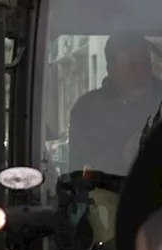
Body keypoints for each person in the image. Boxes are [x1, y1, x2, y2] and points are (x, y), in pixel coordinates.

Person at [69, 35, 162, 177]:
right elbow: (79, 170)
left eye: (145, 64)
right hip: (109, 195)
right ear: (111, 69)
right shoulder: (87, 110)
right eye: (132, 66)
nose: (141, 72)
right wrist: (123, 157)